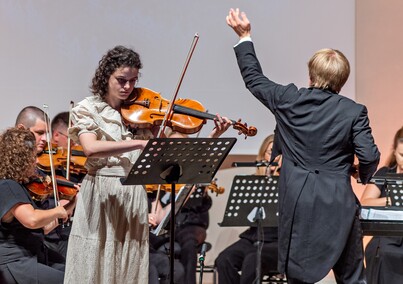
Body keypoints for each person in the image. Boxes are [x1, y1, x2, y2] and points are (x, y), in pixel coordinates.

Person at [226, 8, 380, 284]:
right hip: (338, 201)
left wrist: (245, 36)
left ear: (310, 75)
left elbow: (254, 78)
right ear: (342, 81)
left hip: (297, 200)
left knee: (297, 276)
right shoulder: (353, 111)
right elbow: (369, 155)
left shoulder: (288, 99)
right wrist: (361, 173)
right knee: (353, 277)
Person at [0, 127, 75, 283]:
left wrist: (73, 202)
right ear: (19, 160)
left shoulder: (19, 186)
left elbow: (45, 227)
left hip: (32, 254)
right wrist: (57, 211)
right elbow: (32, 220)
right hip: (15, 262)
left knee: (76, 272)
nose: (37, 161)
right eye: (32, 157)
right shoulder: (7, 186)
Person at [215, 134, 282, 284]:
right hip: (254, 237)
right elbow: (245, 212)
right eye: (271, 151)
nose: (274, 156)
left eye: (279, 152)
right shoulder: (254, 181)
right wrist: (266, 179)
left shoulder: (289, 181)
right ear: (263, 154)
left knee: (253, 259)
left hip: (279, 240)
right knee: (224, 260)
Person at [16, 106, 77, 262]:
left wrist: (73, 201)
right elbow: (33, 221)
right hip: (23, 250)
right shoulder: (11, 173)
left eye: (46, 134)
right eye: (39, 133)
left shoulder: (38, 172)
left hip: (44, 238)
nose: (45, 139)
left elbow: (48, 224)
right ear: (21, 130)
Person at [361, 126, 403, 284]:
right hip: (386, 238)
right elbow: (365, 202)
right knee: (382, 252)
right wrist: (392, 201)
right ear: (394, 151)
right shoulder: (385, 173)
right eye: (401, 155)